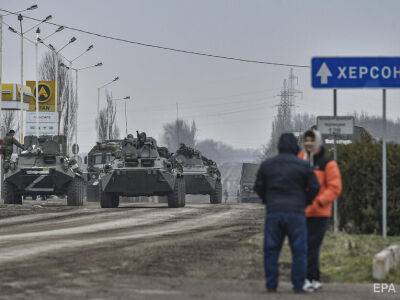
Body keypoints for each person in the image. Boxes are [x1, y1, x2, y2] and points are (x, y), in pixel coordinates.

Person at [254, 133, 320, 293]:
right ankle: (298, 285)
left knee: (271, 249)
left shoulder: (267, 165)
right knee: (299, 250)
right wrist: (305, 201)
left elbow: (258, 187)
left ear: (279, 146)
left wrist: (267, 200)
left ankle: (271, 284)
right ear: (295, 147)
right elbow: (315, 187)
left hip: (274, 212)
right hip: (296, 213)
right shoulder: (303, 166)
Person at [299, 129, 342, 292]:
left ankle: (308, 278)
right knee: (305, 246)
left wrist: (318, 202)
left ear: (317, 141)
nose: (308, 143)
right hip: (302, 212)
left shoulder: (327, 163)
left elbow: (335, 188)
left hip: (319, 213)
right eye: (306, 140)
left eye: (311, 140)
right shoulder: (300, 159)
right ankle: (313, 278)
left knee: (312, 246)